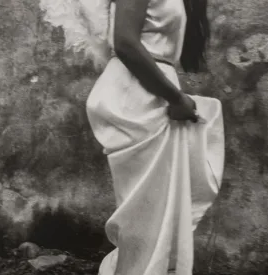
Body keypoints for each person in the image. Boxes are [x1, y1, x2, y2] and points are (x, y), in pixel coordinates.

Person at [85, 0, 225, 274]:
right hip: (138, 97)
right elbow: (124, 42)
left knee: (157, 213)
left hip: (152, 94)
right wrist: (174, 97)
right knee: (147, 215)